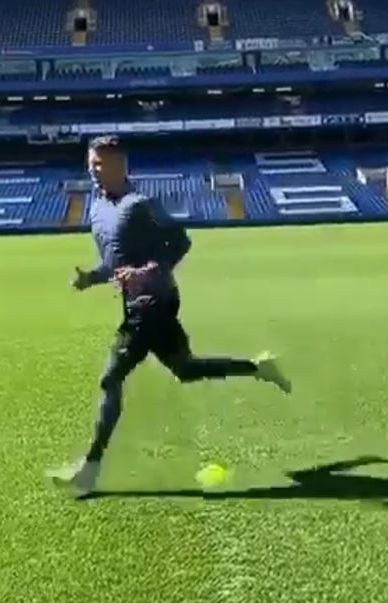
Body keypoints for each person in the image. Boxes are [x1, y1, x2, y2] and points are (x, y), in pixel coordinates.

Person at [51, 135, 291, 497]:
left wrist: (146, 272)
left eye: (100, 164)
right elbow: (114, 263)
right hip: (136, 303)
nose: (93, 169)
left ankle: (90, 467)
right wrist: (91, 278)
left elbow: (180, 243)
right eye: (91, 162)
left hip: (154, 302)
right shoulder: (97, 208)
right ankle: (258, 367)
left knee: (109, 378)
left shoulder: (142, 204)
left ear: (119, 166)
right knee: (186, 368)